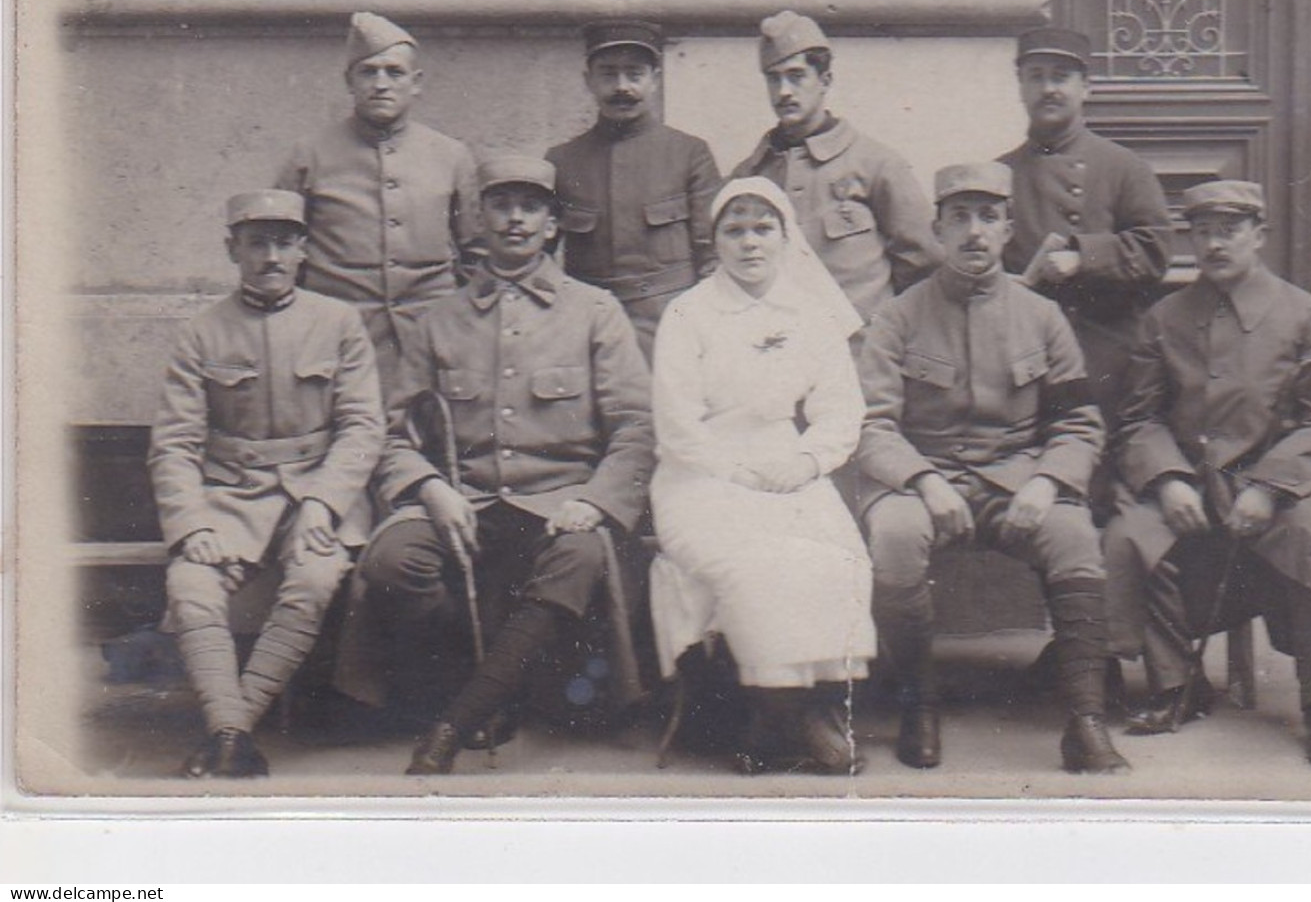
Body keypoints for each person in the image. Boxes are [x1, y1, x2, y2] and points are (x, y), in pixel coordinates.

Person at [351, 156, 655, 776]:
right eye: (501, 205)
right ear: (478, 220)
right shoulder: (436, 320)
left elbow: (638, 429)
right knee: (391, 563)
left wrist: (594, 503)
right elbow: (393, 434)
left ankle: (456, 721)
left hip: (558, 502)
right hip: (465, 503)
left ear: (551, 224)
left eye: (531, 206)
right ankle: (490, 690)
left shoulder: (595, 311)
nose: (515, 219)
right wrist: (430, 489)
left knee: (582, 555)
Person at [855, 162, 1129, 775]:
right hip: (922, 480)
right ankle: (917, 702)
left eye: (988, 217)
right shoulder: (898, 317)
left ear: (1008, 229)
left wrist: (1047, 481)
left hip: (1018, 479)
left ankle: (1085, 721)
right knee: (895, 536)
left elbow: (1080, 423)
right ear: (937, 230)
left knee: (1075, 535)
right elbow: (872, 428)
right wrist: (923, 481)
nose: (974, 232)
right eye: (959, 218)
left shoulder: (1041, 316)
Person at [1106, 180, 1311, 766]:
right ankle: (1177, 684)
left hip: (1289, 485)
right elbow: (1138, 418)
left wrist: (1269, 486)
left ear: (1258, 235)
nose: (1214, 244)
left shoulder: (1305, 315)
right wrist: (1168, 479)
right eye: (1202, 232)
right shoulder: (1164, 319)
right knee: (1134, 535)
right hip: (1193, 479)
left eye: (1229, 230)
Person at [148, 190, 384, 778]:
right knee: (190, 582)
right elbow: (174, 445)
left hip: (318, 497)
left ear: (304, 249)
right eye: (257, 244)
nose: (272, 257)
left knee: (315, 575)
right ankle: (233, 733)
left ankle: (231, 732)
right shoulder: (202, 333)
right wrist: (193, 524)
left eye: (285, 242)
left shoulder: (339, 323)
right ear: (234, 250)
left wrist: (324, 505)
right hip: (230, 498)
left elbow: (362, 429)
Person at [648, 177, 875, 775]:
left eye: (762, 228)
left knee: (839, 552)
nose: (750, 243)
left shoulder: (810, 313)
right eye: (735, 230)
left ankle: (808, 709)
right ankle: (777, 715)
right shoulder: (687, 313)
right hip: (700, 475)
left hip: (785, 463)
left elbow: (840, 410)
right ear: (715, 240)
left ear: (784, 236)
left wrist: (806, 462)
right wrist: (738, 472)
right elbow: (677, 425)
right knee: (755, 562)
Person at [274, 11, 481, 395]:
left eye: (394, 72)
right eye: (368, 72)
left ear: (416, 83)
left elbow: (477, 255)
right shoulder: (310, 154)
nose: (381, 84)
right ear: (349, 82)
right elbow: (283, 252)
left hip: (430, 337)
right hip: (336, 338)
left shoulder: (451, 156)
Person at [997, 26, 1173, 429]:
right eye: (1036, 76)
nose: (1048, 89)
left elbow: (1156, 248)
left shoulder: (1123, 166)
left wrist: (1083, 257)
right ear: (1020, 87)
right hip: (1025, 354)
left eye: (1061, 77)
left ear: (1085, 87)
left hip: (1105, 353)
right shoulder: (999, 174)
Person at [730, 10, 938, 324]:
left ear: (824, 80)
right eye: (774, 78)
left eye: (796, 76)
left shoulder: (876, 164)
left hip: (860, 357)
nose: (784, 91)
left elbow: (925, 266)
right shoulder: (749, 177)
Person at [548, 19, 723, 362]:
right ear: (588, 80)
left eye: (634, 73)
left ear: (655, 79)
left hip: (672, 327)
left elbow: (713, 258)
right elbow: (539, 261)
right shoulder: (561, 161)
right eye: (608, 74)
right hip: (587, 329)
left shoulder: (689, 154)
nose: (622, 86)